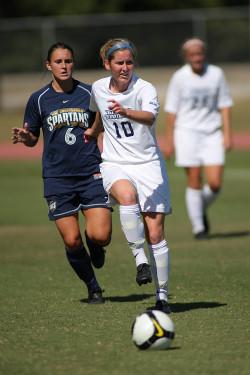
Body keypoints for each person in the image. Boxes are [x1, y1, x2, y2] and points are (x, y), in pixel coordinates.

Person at [11, 42, 112, 304]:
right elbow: (33, 138)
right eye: (58, 62)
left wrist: (96, 130)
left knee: (100, 235)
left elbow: (103, 124)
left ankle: (97, 246)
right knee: (72, 240)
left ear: (73, 63)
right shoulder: (39, 99)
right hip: (57, 178)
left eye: (68, 61)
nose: (64, 66)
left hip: (91, 173)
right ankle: (93, 288)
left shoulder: (90, 92)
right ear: (49, 65)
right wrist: (26, 137)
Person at [87, 38, 172, 313]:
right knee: (127, 196)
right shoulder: (99, 87)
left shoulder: (145, 88)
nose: (125, 67)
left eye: (129, 62)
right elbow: (99, 110)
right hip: (115, 162)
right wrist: (94, 130)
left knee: (156, 234)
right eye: (119, 63)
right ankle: (140, 261)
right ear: (107, 64)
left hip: (148, 164)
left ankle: (162, 298)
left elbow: (149, 117)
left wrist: (126, 111)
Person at [164, 38, 233, 239]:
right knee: (194, 179)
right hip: (186, 133)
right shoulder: (179, 77)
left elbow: (225, 105)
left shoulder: (216, 74)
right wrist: (169, 142)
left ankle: (198, 207)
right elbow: (171, 111)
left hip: (212, 133)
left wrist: (227, 134)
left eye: (200, 54)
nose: (197, 58)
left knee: (215, 183)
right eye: (192, 55)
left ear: (205, 54)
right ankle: (198, 227)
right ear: (187, 57)